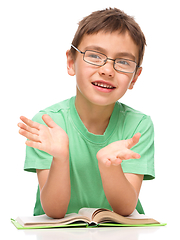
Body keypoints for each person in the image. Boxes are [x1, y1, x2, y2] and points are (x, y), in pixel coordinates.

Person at [18, 8, 155, 219]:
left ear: (135, 77)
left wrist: (109, 167)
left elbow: (126, 208)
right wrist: (61, 158)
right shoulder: (49, 123)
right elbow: (54, 212)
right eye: (94, 56)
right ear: (71, 62)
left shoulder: (139, 125)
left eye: (123, 62)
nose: (107, 70)